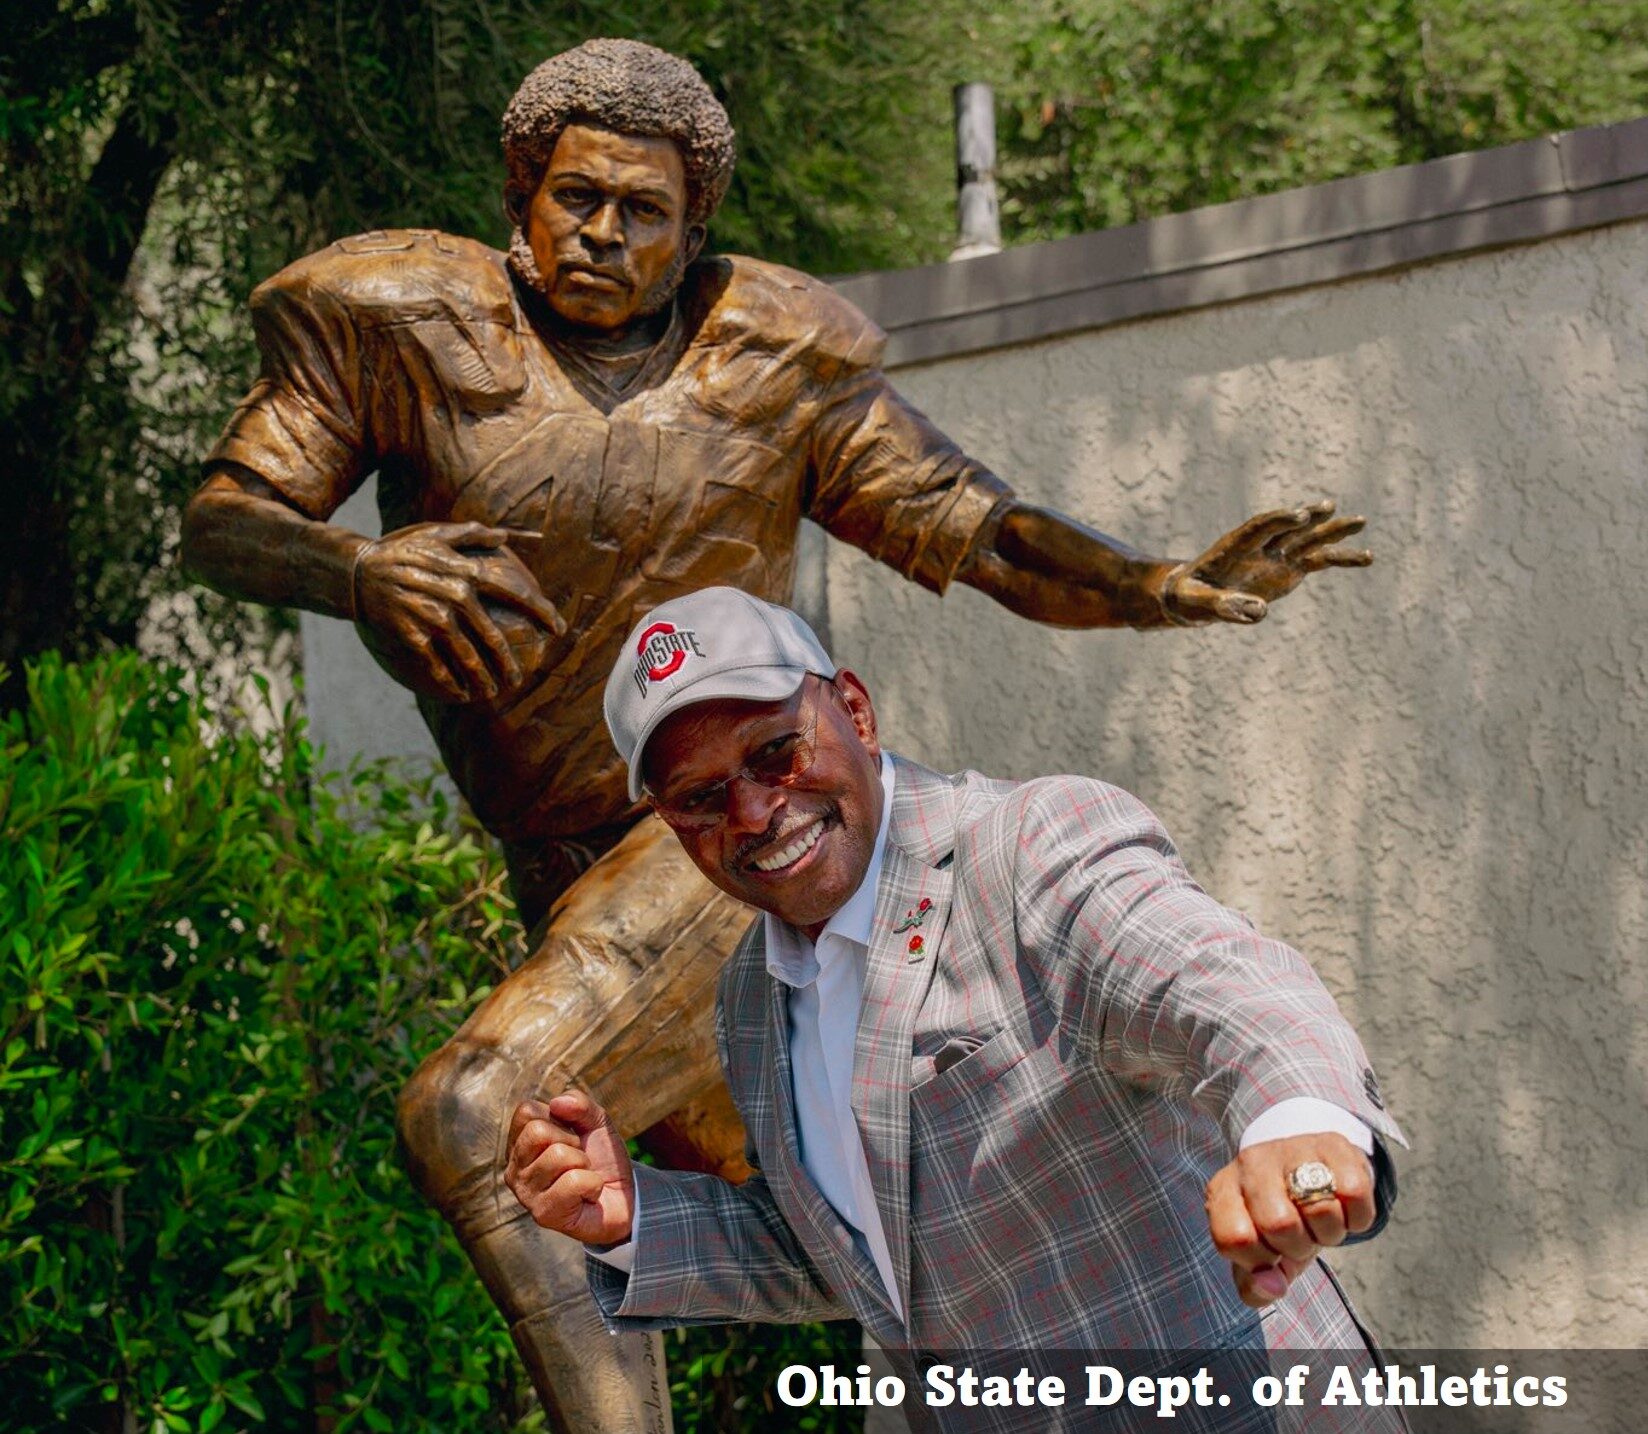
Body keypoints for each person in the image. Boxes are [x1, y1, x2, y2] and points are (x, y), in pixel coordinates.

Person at [181, 37, 1377, 1431]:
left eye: (643, 210)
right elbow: (228, 512)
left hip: (672, 861)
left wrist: (1150, 585)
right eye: (575, 196)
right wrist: (357, 570)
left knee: (473, 1109)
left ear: (695, 234)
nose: (601, 231)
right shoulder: (396, 324)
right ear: (522, 193)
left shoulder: (781, 375)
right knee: (840, 1204)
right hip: (570, 863)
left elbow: (981, 529)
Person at [505, 587, 1409, 1432]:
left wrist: (1299, 1123)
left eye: (775, 753)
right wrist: (634, 1218)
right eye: (701, 798)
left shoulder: (1024, 851)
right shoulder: (751, 998)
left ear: (854, 711)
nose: (751, 812)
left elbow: (1223, 985)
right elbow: (862, 1253)